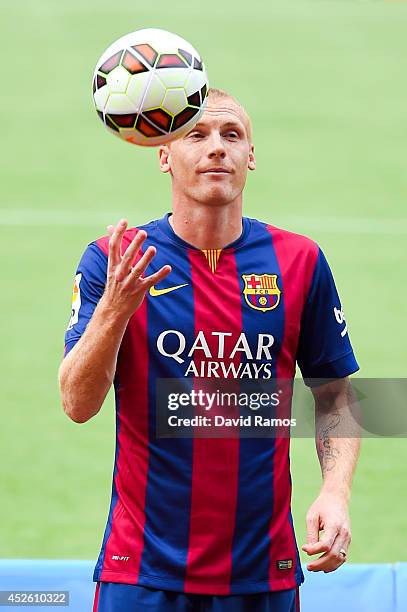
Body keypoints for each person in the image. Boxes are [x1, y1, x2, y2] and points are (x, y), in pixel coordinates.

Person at [58, 88, 360, 612]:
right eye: (196, 135)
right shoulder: (114, 261)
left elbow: (335, 393)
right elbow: (77, 405)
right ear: (163, 154)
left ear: (251, 157)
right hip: (141, 573)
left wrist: (336, 493)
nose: (216, 148)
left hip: (263, 573)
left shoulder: (301, 262)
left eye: (232, 135)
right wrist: (114, 310)